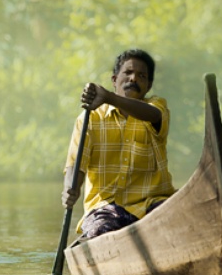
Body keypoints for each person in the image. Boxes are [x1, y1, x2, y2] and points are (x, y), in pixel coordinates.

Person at [62, 48, 176, 239]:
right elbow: (75, 165)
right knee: (101, 231)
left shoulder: (156, 108)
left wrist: (107, 97)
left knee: (179, 217)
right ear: (115, 80)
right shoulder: (90, 118)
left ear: (148, 86)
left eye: (141, 76)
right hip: (106, 208)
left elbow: (153, 115)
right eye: (128, 73)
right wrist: (70, 189)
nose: (134, 79)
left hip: (153, 203)